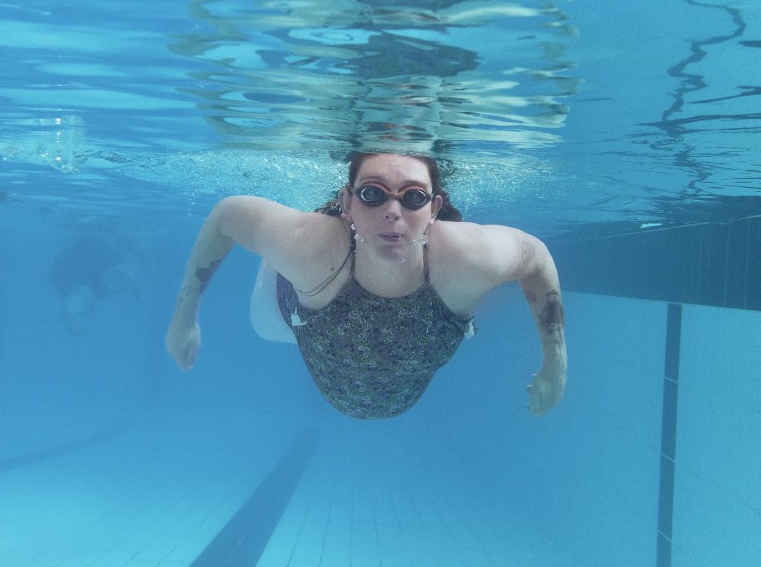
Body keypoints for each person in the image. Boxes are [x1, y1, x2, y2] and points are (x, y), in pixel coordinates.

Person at [166, 152, 566, 419]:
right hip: (290, 313)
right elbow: (226, 216)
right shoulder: (311, 248)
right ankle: (300, 238)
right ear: (349, 202)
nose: (392, 212)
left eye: (413, 198)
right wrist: (183, 318)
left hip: (346, 326)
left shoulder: (467, 257)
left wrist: (556, 363)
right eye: (373, 194)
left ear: (435, 210)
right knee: (283, 285)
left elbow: (537, 258)